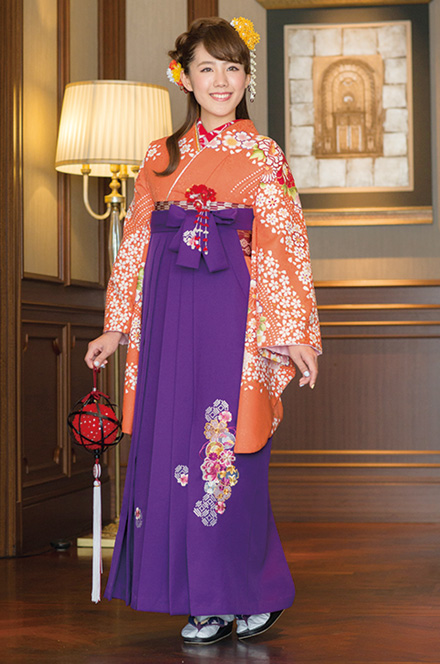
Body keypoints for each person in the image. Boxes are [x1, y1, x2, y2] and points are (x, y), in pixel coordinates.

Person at [85, 16, 322, 645]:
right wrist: (116, 326)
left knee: (228, 450)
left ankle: (248, 591)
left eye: (232, 68)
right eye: (207, 68)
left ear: (246, 78)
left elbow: (283, 244)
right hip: (166, 310)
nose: (221, 81)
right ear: (184, 78)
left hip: (235, 313)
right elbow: (135, 243)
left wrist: (292, 329)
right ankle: (203, 601)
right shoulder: (159, 156)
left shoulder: (263, 154)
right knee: (173, 450)